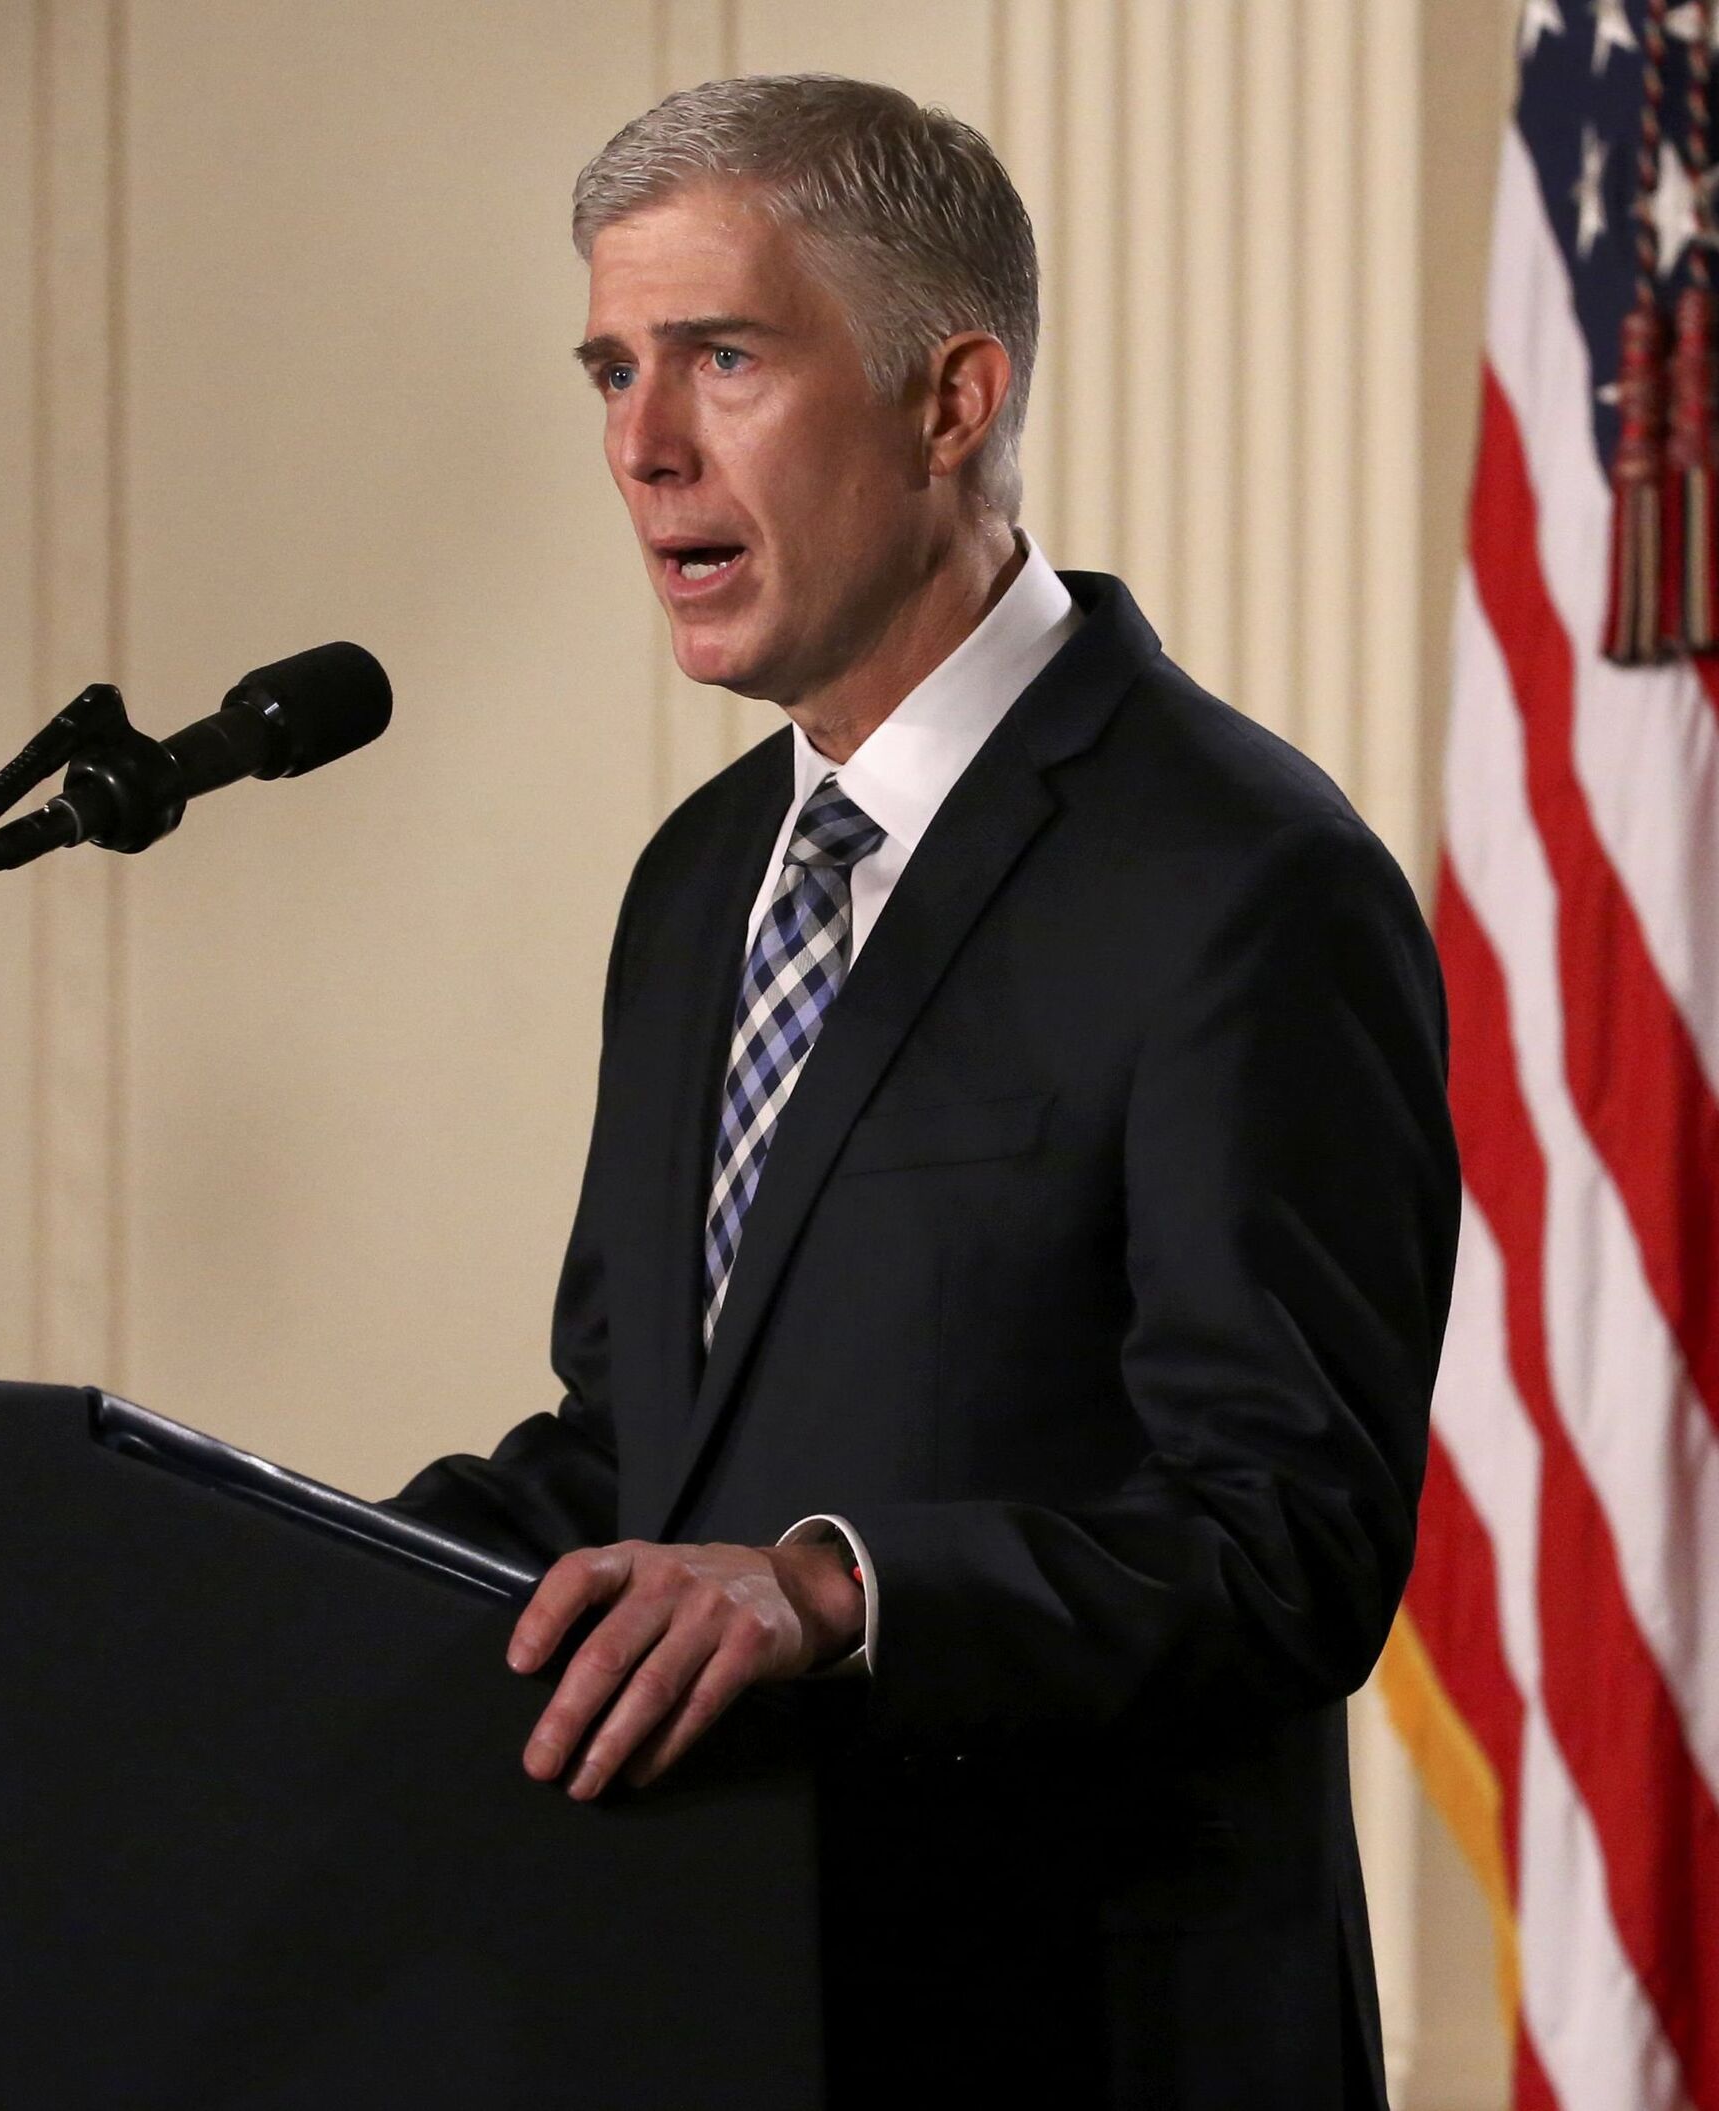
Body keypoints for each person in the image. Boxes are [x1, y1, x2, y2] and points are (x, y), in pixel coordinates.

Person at [394, 73, 1459, 2107]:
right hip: (723, 2012)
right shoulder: (700, 883)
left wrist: (831, 1590)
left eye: (722, 357)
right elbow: (640, 1452)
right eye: (613, 369)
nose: (642, 445)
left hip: (1082, 2039)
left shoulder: (1243, 879)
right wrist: (244, 1571)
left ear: (950, 399)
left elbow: (1290, 1540)